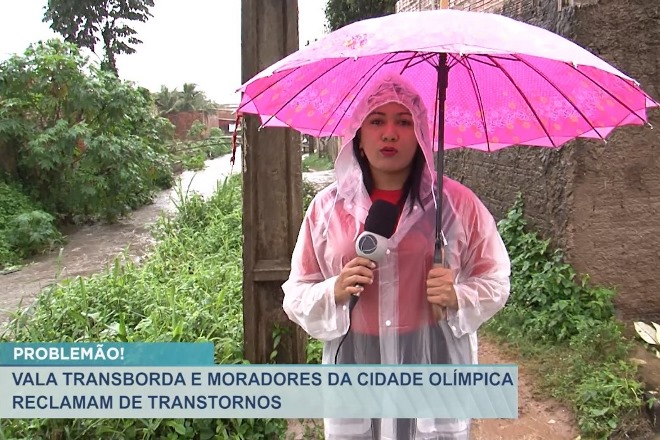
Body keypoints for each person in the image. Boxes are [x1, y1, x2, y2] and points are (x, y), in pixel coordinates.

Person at [282, 74, 511, 440]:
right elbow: (296, 292)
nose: (389, 134)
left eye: (404, 122)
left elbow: (495, 279)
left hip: (434, 360)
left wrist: (457, 295)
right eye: (377, 121)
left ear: (420, 134)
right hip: (355, 361)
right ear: (358, 134)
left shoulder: (455, 205)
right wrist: (333, 290)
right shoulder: (326, 209)